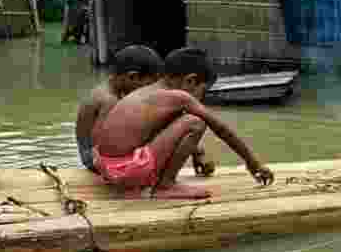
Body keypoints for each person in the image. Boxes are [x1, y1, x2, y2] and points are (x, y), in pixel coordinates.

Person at [92, 47, 274, 199]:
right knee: (196, 122)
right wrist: (253, 163)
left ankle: (160, 181)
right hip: (126, 172)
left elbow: (162, 128)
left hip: (107, 168)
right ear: (190, 81)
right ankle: (166, 186)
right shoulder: (179, 97)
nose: (201, 97)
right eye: (203, 91)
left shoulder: (147, 92)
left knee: (183, 120)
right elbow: (221, 128)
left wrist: (197, 155)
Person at [75, 45, 164, 173]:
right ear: (132, 77)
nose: (149, 91)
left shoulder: (104, 89)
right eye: (149, 85)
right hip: (95, 160)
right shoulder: (110, 101)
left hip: (90, 155)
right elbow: (101, 145)